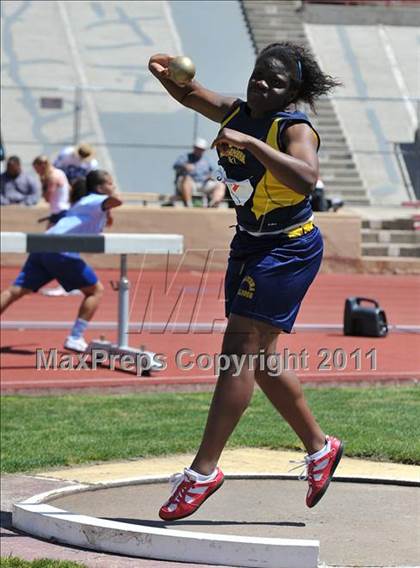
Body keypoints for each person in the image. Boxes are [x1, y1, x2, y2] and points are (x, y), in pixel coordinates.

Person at [149, 42, 344, 521]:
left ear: (291, 91)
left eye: (274, 83)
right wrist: (166, 75)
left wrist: (254, 145)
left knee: (237, 351)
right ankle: (320, 448)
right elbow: (192, 95)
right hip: (250, 243)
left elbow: (306, 179)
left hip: (288, 247)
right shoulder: (236, 110)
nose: (261, 86)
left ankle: (202, 472)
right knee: (259, 360)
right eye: (258, 76)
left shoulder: (293, 128)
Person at [0, 170, 122, 353]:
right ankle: (75, 337)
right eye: (110, 183)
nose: (113, 186)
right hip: (60, 251)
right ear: (99, 188)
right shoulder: (96, 199)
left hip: (43, 246)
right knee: (95, 291)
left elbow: (102, 215)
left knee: (14, 291)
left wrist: (107, 212)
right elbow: (117, 201)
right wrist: (112, 194)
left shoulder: (83, 203)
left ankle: (75, 337)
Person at [164, 138, 226, 207]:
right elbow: (175, 166)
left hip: (204, 183)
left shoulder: (207, 160)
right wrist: (185, 166)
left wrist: (211, 176)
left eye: (201, 149)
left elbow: (216, 171)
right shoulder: (185, 157)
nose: (199, 151)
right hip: (190, 183)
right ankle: (188, 204)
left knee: (220, 185)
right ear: (194, 148)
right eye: (197, 148)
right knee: (187, 179)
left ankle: (214, 204)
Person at [32, 155, 70, 226]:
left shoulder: (52, 177)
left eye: (37, 170)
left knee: (50, 235)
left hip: (59, 211)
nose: (37, 173)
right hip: (61, 210)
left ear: (42, 166)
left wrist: (43, 183)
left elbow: (47, 198)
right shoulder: (59, 172)